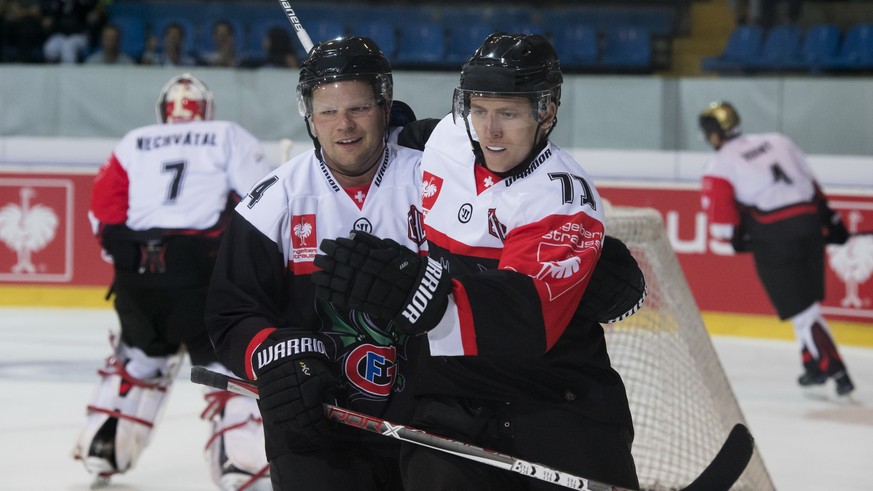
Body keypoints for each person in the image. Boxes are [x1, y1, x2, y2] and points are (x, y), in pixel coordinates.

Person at [313, 33, 643, 490]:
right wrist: (379, 118)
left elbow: (525, 318)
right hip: (452, 400)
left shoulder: (561, 196)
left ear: (545, 112)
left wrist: (425, 294)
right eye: (480, 109)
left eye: (508, 113)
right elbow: (400, 136)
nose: (490, 131)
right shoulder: (449, 136)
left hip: (553, 399)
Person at [205, 36, 425, 491]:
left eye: (359, 108)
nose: (343, 125)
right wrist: (276, 356)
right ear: (309, 116)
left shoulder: (435, 180)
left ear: (386, 106)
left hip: (429, 427)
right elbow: (231, 314)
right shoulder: (272, 202)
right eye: (327, 111)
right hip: (317, 425)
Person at [72, 73, 275, 491]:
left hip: (137, 277)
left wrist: (134, 260)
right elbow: (263, 200)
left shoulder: (134, 141)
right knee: (226, 369)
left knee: (139, 362)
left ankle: (104, 448)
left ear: (164, 110)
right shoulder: (226, 134)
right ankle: (239, 460)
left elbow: (102, 214)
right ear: (207, 109)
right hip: (199, 273)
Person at [698, 100, 854, 396]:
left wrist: (738, 241)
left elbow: (722, 225)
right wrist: (832, 222)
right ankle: (811, 366)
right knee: (804, 305)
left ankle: (836, 370)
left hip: (773, 237)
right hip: (809, 226)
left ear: (713, 133)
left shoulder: (719, 163)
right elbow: (811, 184)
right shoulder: (778, 140)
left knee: (803, 308)